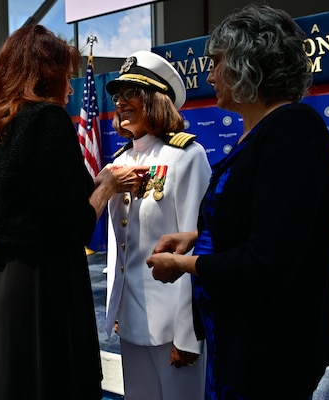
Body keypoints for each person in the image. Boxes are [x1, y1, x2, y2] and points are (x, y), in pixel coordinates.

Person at [146, 4, 329, 399]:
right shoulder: (260, 131)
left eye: (217, 63)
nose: (210, 74)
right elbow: (259, 221)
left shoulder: (293, 128)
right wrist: (194, 236)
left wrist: (185, 264)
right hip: (240, 338)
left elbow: (271, 259)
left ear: (248, 63)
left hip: (271, 346)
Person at [0, 25, 148, 400]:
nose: (70, 89)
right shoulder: (46, 120)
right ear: (44, 75)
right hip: (43, 286)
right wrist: (109, 187)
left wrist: (97, 180)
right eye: (65, 78)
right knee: (51, 383)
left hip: (3, 281)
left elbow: (36, 199)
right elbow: (75, 224)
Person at [104, 50, 212, 400]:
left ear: (155, 100)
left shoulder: (186, 156)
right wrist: (115, 308)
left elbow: (196, 243)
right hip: (131, 319)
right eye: (118, 96)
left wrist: (188, 334)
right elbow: (119, 248)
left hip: (172, 324)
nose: (120, 103)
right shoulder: (119, 161)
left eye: (130, 94)